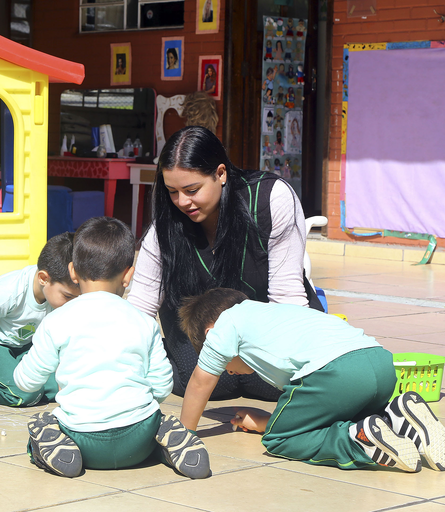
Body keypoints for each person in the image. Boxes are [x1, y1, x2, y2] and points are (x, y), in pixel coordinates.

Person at [128, 126, 323, 400]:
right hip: (201, 337)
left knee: (279, 382)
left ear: (220, 174)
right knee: (211, 383)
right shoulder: (164, 228)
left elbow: (287, 297)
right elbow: (140, 308)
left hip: (265, 332)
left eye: (192, 189)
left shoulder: (271, 199)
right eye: (172, 191)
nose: (182, 201)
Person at [14, 217, 210, 479]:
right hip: (138, 439)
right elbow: (163, 386)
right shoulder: (143, 320)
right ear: (129, 274)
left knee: (44, 421)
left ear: (72, 271)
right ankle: (164, 436)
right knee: (155, 416)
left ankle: (54, 448)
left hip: (83, 439)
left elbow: (26, 382)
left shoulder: (56, 321)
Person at [177, 288, 445, 473]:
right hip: (380, 363)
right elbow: (320, 405)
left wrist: (183, 434)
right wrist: (264, 420)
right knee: (354, 414)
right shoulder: (273, 312)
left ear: (210, 332)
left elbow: (200, 383)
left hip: (335, 372)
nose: (227, 370)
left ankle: (358, 441)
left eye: (222, 363)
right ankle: (399, 419)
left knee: (279, 439)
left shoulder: (223, 326)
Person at [0, 232, 80, 406]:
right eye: (68, 296)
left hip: (22, 346)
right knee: (26, 395)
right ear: (43, 279)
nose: (72, 303)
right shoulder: (9, 291)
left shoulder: (56, 293)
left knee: (62, 385)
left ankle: (7, 376)